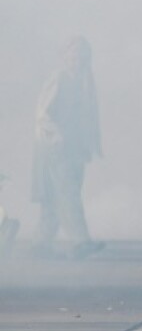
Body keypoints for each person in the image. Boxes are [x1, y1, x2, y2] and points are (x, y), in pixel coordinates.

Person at [31, 36, 103, 259]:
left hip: (75, 147)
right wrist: (58, 136)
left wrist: (91, 144)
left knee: (55, 195)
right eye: (74, 53)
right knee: (68, 192)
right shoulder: (59, 78)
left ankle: (41, 243)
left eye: (83, 54)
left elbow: (89, 117)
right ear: (65, 56)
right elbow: (42, 113)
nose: (78, 58)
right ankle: (80, 241)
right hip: (55, 147)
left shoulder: (84, 81)